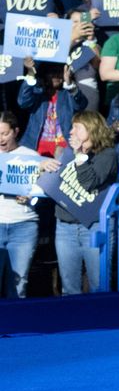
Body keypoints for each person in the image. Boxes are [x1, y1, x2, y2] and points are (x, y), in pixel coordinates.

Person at [40, 111, 118, 295]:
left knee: (99, 284)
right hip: (65, 226)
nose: (71, 132)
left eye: (77, 127)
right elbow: (51, 185)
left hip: (94, 226)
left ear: (92, 129)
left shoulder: (107, 155)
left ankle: (102, 323)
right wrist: (43, 168)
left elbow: (89, 182)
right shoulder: (65, 152)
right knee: (69, 287)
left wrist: (78, 156)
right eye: (72, 127)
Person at [0, 111, 43, 298]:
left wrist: (30, 197)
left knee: (18, 284)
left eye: (4, 133)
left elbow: (41, 195)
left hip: (24, 226)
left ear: (15, 132)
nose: (0, 139)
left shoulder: (31, 156)